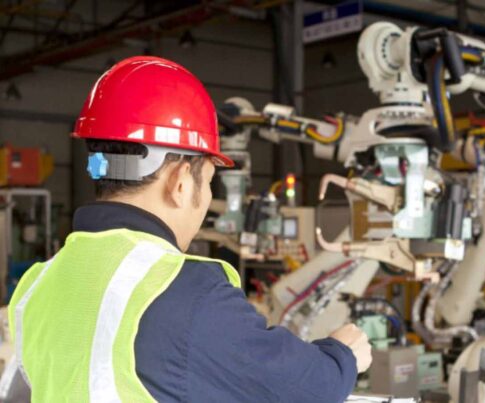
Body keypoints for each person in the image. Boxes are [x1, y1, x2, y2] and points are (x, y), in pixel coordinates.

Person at [7, 56, 371, 402]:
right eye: (209, 180)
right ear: (181, 181)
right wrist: (343, 354)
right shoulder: (184, 291)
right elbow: (306, 391)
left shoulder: (37, 285)